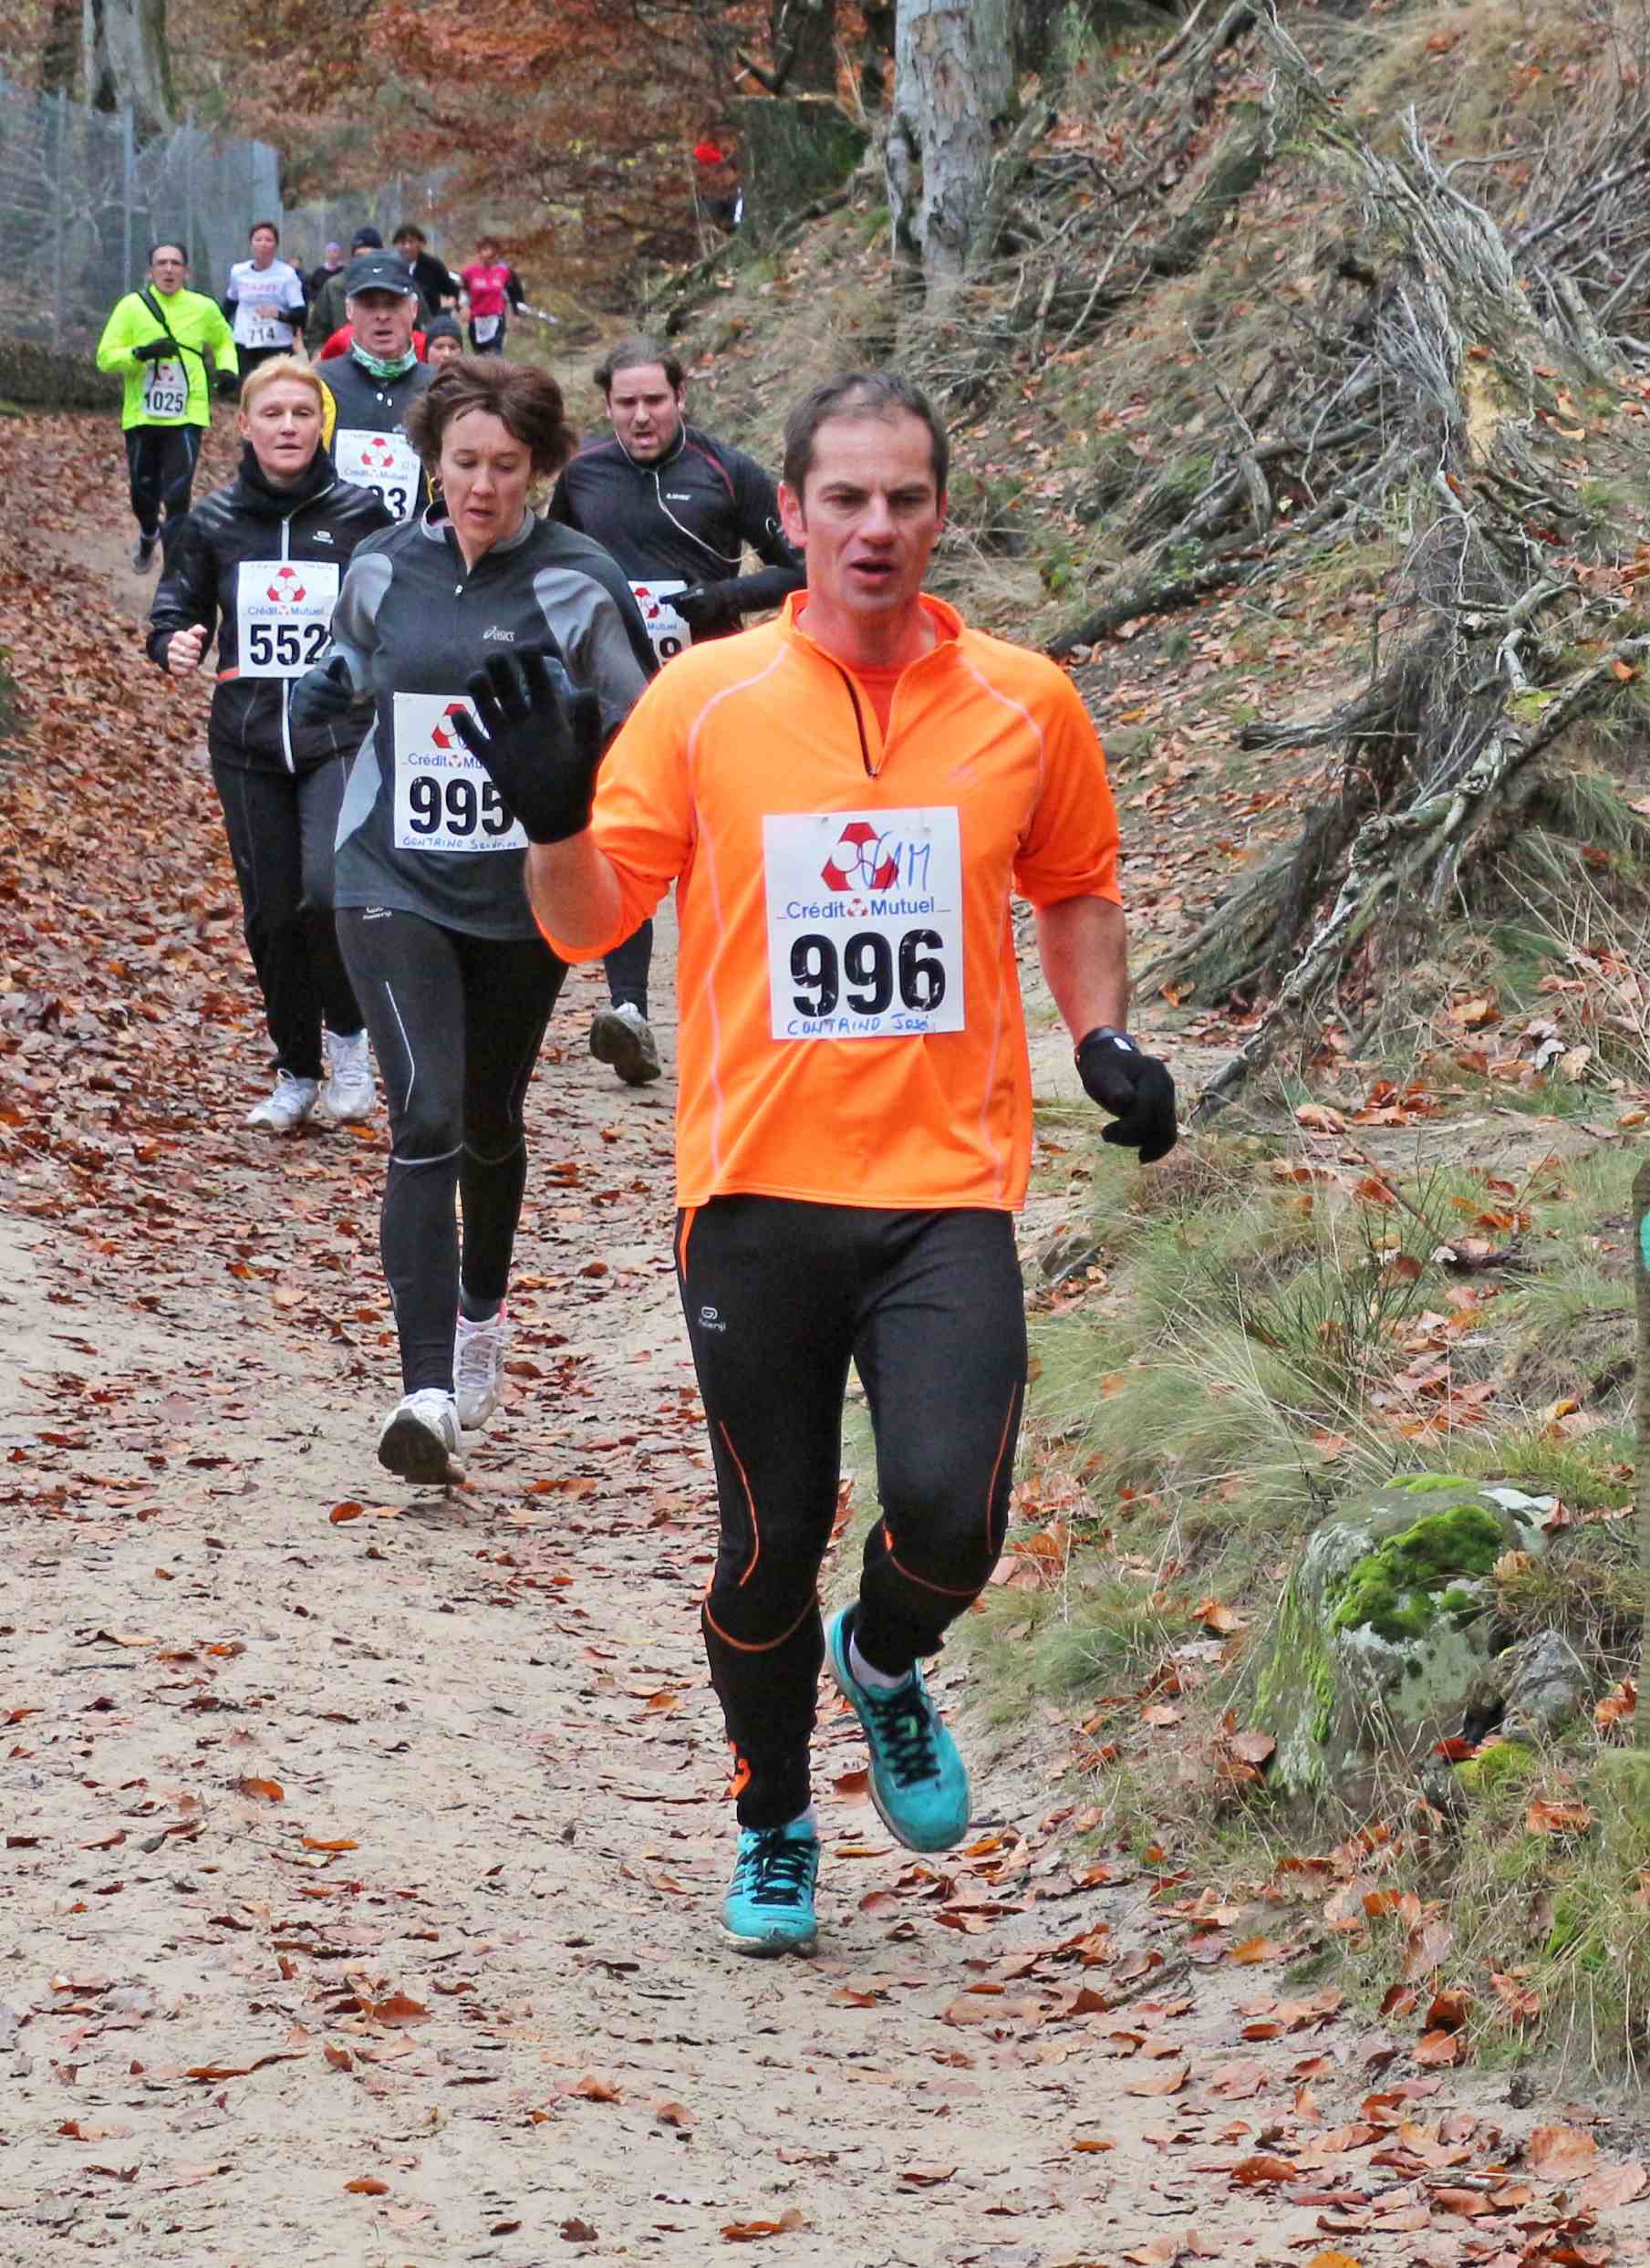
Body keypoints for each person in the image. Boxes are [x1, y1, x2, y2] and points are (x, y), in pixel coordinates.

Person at [477, 370, 1175, 1956]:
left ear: (940, 514)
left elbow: (1074, 885)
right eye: (844, 499)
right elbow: (585, 925)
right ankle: (774, 1816)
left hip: (944, 1191)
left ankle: (885, 1654)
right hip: (754, 1195)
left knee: (952, 1515)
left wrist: (1102, 1036)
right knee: (767, 1540)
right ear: (787, 514)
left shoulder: (1024, 702)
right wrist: (551, 820)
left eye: (903, 499)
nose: (874, 527)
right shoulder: (705, 703)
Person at [288, 358, 656, 1484]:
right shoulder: (382, 565)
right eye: (464, 464)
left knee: (492, 1116)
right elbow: (344, 668)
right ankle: (427, 1392)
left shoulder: (577, 579)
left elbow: (645, 727)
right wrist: (315, 703)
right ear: (431, 462)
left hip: (522, 894)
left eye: (505, 466)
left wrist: (570, 774)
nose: (483, 487)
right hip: (389, 874)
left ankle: (481, 1312)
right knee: (428, 1113)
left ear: (538, 468)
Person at [544, 336, 807, 1087]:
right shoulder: (583, 476)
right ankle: (629, 1012)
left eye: (654, 400)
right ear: (606, 406)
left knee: (719, 849)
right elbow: (550, 569)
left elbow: (803, 566)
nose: (641, 416)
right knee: (621, 843)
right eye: (625, 403)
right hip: (615, 697)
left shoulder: (726, 470)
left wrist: (723, 597)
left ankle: (741, 1012)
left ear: (680, 398)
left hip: (713, 693)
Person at [147, 355, 398, 1131]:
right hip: (247, 741)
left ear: (321, 424)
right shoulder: (211, 521)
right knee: (271, 914)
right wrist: (173, 642)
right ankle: (295, 1070)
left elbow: (396, 612)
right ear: (245, 425)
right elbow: (175, 606)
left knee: (327, 890)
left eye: (302, 413)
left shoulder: (362, 515)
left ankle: (349, 1045)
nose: (288, 426)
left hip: (339, 734)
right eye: (273, 414)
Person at [96, 243, 235, 569]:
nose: (169, 269)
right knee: (143, 492)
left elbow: (224, 341)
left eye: (175, 263)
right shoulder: (131, 307)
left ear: (186, 271)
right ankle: (148, 532)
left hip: (187, 415)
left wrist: (228, 370)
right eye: (161, 263)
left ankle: (174, 573)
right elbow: (105, 357)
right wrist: (140, 354)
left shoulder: (203, 307)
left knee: (177, 494)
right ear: (150, 271)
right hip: (142, 416)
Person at [317, 251, 436, 525]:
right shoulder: (319, 384)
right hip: (337, 538)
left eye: (393, 304)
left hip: (418, 542)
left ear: (414, 309)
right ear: (349, 311)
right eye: (369, 305)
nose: (382, 316)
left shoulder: (441, 389)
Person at [221, 221, 306, 386]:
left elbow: (301, 315)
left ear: (276, 245)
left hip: (277, 346)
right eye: (258, 239)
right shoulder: (238, 272)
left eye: (268, 240)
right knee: (248, 388)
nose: (263, 244)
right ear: (251, 244)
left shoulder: (287, 274)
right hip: (245, 343)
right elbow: (229, 304)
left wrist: (278, 315)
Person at [305, 227, 380, 350]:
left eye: (371, 256)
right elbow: (315, 335)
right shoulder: (335, 287)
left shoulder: (394, 288)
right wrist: (324, 357)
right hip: (342, 358)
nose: (365, 262)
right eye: (359, 256)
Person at [458, 240, 527, 354]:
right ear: (479, 253)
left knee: (494, 354)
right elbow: (461, 290)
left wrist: (516, 314)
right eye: (485, 252)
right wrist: (463, 306)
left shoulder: (504, 272)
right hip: (476, 320)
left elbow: (515, 292)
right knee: (479, 355)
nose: (488, 258)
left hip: (496, 320)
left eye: (492, 255)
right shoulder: (469, 273)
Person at [391, 223, 460, 328]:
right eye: (403, 243)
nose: (407, 247)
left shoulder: (433, 266)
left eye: (411, 242)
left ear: (420, 244)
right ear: (396, 245)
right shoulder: (391, 266)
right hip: (398, 323)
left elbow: (452, 291)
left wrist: (445, 312)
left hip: (429, 323)